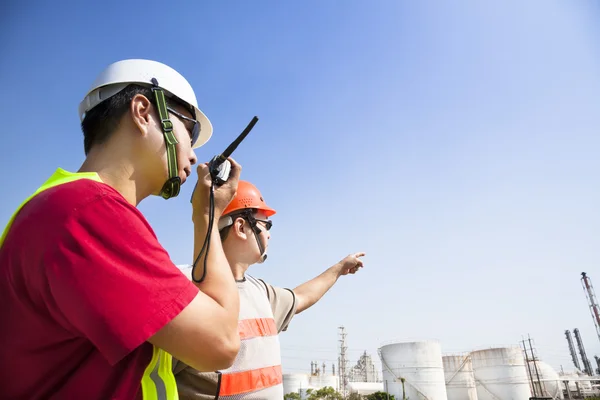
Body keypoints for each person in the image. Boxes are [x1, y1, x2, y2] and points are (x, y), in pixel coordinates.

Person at [0, 59, 243, 400]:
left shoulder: (59, 206)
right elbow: (220, 344)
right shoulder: (90, 213)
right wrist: (207, 216)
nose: (193, 154)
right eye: (191, 131)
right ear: (143, 111)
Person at [174, 181, 365, 399]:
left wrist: (339, 269)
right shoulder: (183, 287)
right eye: (266, 225)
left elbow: (301, 297)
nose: (269, 235)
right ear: (241, 227)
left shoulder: (261, 293)